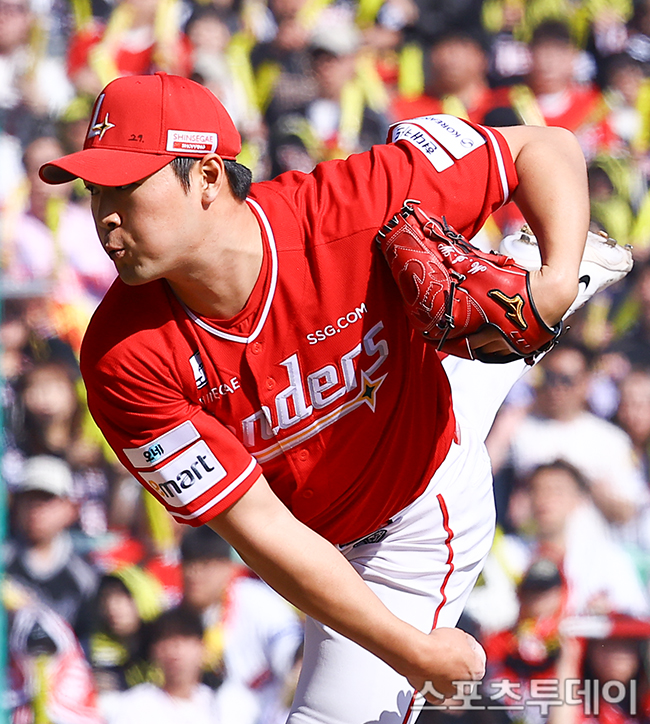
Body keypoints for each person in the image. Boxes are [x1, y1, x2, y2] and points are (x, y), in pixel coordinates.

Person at [39, 71, 592, 723]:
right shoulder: (121, 357)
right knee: (465, 351)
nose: (104, 214)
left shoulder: (351, 206)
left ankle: (553, 273)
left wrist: (556, 282)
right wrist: (414, 653)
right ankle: (519, 292)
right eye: (95, 188)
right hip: (323, 525)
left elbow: (544, 146)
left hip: (413, 513)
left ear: (209, 175)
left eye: (126, 186)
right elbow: (262, 530)